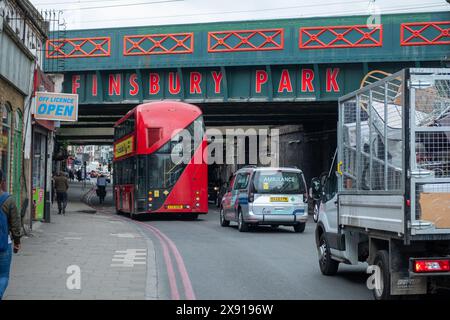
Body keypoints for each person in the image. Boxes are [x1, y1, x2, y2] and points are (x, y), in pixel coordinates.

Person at [0, 169, 21, 300]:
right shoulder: (8, 200)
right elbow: (15, 224)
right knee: (3, 276)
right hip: (3, 244)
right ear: (2, 181)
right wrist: (17, 243)